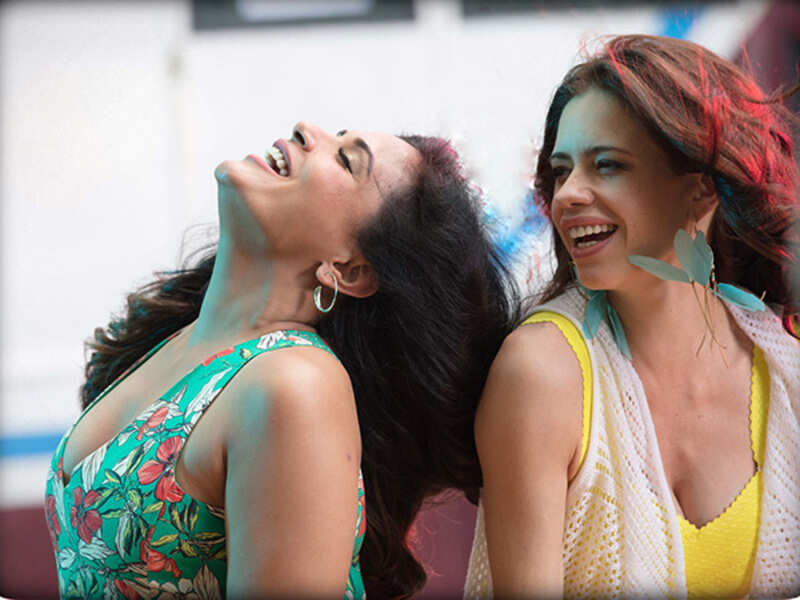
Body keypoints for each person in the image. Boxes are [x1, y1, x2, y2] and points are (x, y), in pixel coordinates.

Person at [43, 122, 515, 599]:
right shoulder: (173, 336)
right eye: (336, 135)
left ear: (348, 269)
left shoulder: (295, 385)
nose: (306, 130)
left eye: (347, 161)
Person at [466, 35, 800, 599]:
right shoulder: (541, 371)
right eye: (562, 171)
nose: (568, 195)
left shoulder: (785, 365)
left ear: (702, 190)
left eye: (608, 165)